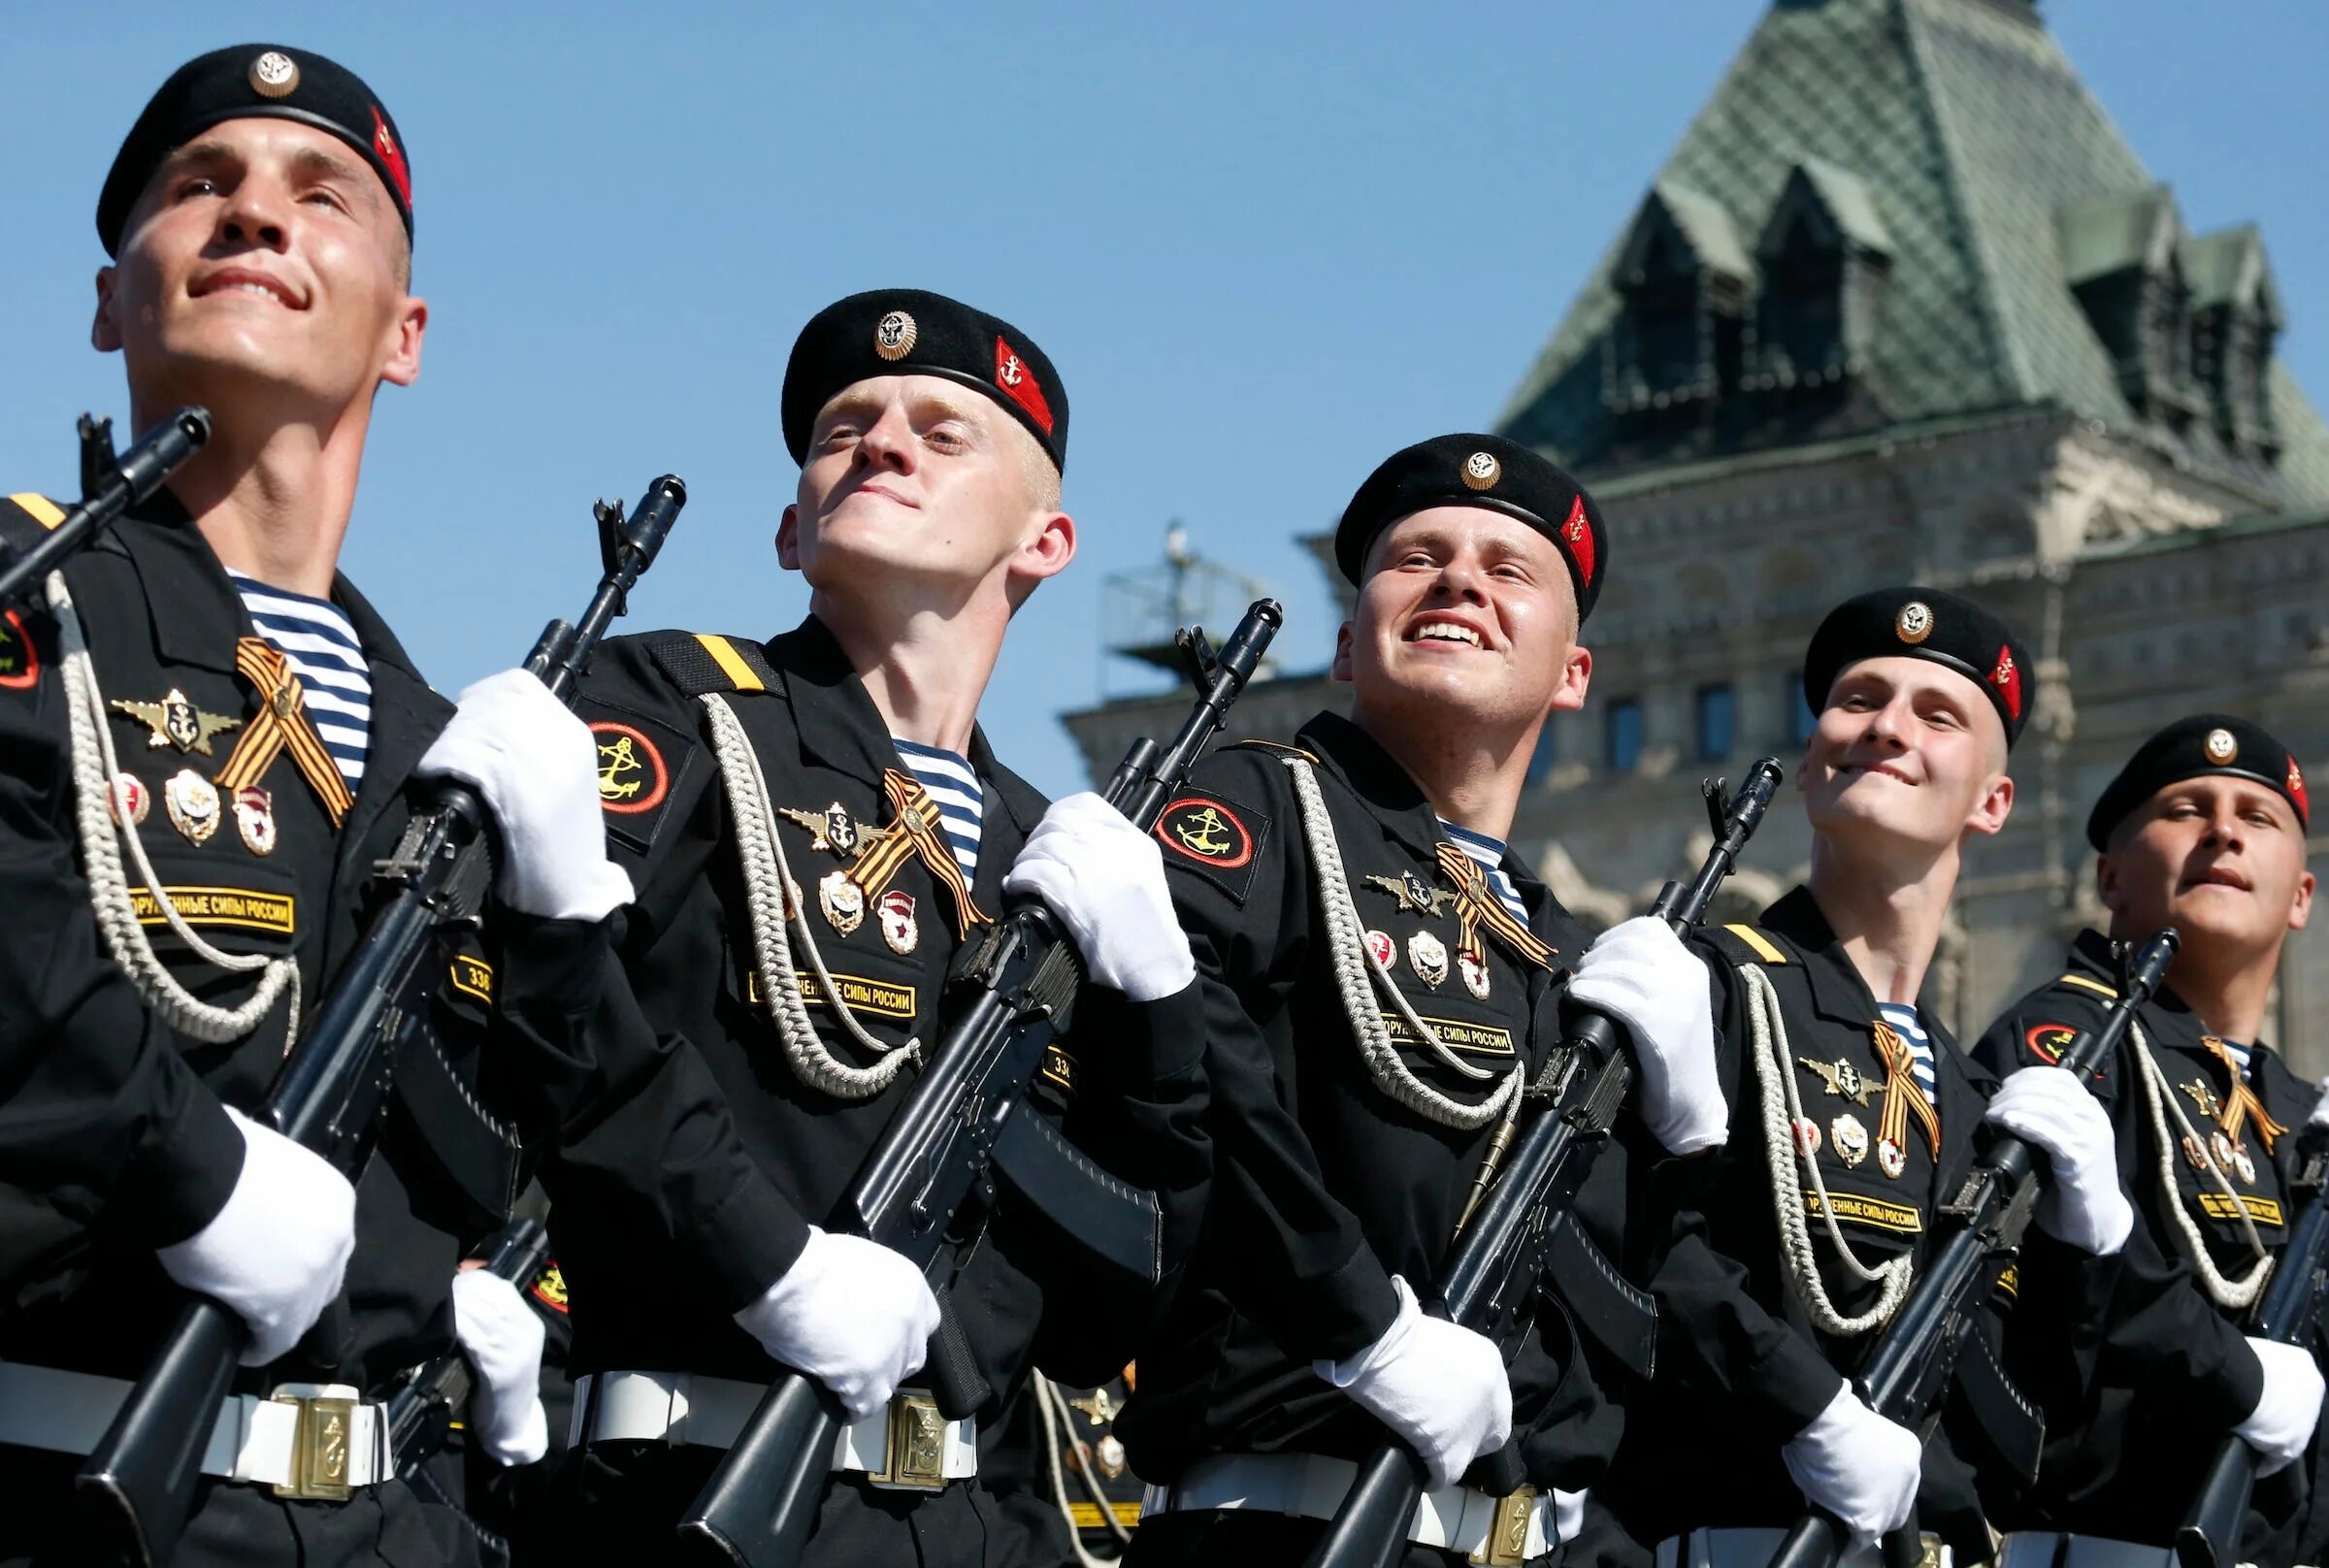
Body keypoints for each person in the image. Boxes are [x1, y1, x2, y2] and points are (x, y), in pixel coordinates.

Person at [0, 45, 623, 1567]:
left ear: (405, 336)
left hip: (382, 1518)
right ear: (106, 301)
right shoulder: (33, 597)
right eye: (196, 187)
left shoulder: (442, 751)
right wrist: (187, 1168)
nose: (253, 217)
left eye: (318, 194)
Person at [533, 289, 1197, 1565]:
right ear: (792, 529)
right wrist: (770, 1262)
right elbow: (559, 1021)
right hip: (694, 1483)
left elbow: (1131, 1266)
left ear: (1045, 539)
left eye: (944, 433)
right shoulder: (682, 708)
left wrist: (1160, 1009)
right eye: (845, 428)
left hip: (965, 1513)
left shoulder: (1048, 859)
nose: (883, 440)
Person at [1114, 433, 1729, 1568]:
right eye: (1420, 558)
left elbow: (1631, 1318)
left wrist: (1689, 1139)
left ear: (1576, 672)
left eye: (1510, 569)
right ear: (1349, 643)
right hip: (1285, 1522)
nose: (1460, 581)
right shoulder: (1260, 808)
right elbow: (1195, 1077)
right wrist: (1365, 1324)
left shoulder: (1560, 954)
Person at [1601, 588, 2135, 1568]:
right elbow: (1635, 1250)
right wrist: (1809, 1407)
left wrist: (2086, 1247)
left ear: (1992, 799)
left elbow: (2028, 1415)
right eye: (1858, 701)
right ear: (1812, 762)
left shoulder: (1970, 1098)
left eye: (1938, 715)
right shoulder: (1714, 988)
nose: (1886, 725)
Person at [1975, 714, 2324, 1568]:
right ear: (2111, 877)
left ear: (2303, 896)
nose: (2224, 831)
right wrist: (2239, 1376)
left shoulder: (2299, 1111)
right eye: (2186, 809)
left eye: (2258, 817)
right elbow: (2064, 1277)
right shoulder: (2072, 1041)